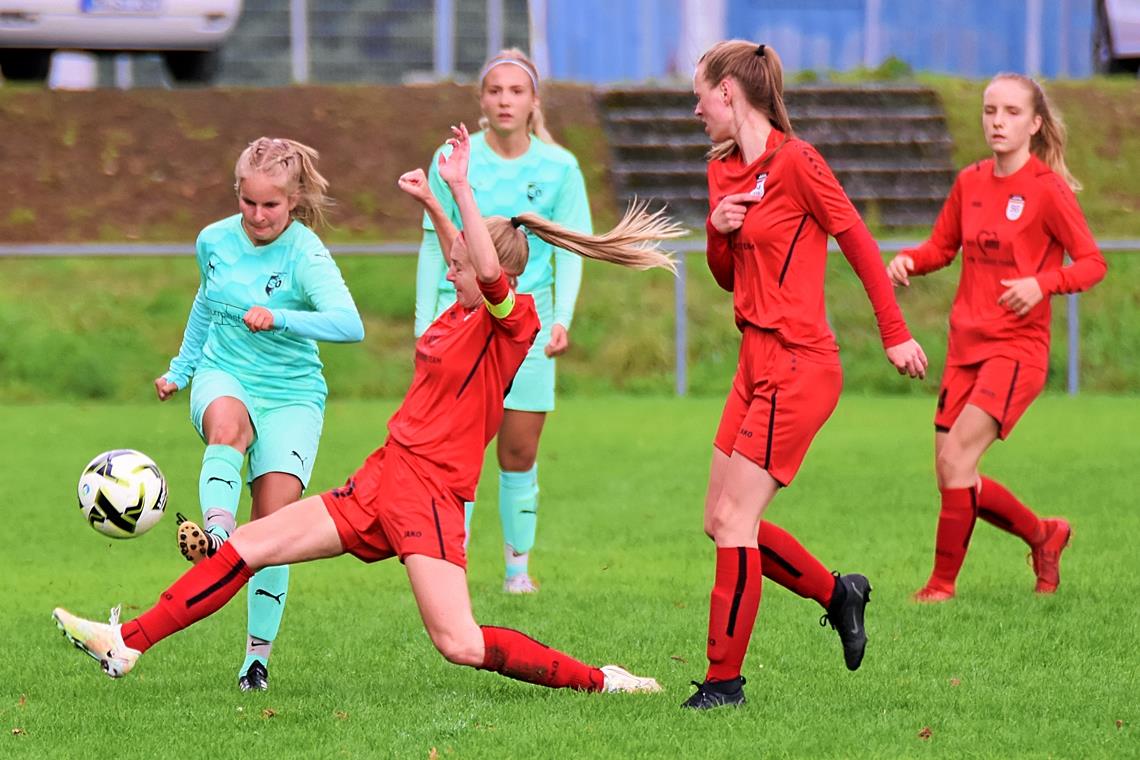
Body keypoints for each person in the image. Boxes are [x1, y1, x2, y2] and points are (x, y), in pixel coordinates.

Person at [54, 123, 682, 697]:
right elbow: (468, 259)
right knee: (247, 544)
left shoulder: (512, 321)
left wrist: (459, 186)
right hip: (384, 475)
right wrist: (434, 202)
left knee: (458, 643)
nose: (450, 272)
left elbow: (485, 268)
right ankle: (127, 642)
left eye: (457, 267)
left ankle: (603, 682)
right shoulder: (461, 311)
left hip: (431, 495)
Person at [685, 41, 929, 710]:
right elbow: (729, 276)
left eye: (701, 94)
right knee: (719, 519)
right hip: (752, 362)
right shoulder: (721, 172)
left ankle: (723, 683)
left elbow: (859, 245)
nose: (696, 107)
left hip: (800, 364)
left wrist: (895, 334)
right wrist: (717, 232)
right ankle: (838, 591)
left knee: (737, 520)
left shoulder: (800, 163)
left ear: (729, 92)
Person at [153, 137, 365, 691]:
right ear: (237, 195)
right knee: (228, 425)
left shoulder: (306, 253)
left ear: (293, 200)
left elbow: (350, 324)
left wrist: (281, 317)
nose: (257, 216)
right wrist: (181, 369)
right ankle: (219, 538)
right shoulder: (213, 240)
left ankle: (256, 660)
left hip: (293, 394)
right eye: (248, 202)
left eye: (270, 205)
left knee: (274, 531)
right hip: (225, 372)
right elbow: (206, 300)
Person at [887, 73, 1106, 603]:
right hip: (966, 347)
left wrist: (1043, 283)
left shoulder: (1047, 190)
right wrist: (909, 260)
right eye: (990, 111)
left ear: (1034, 124)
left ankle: (940, 588)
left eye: (1010, 112)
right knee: (951, 474)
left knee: (958, 464)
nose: (997, 121)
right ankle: (1043, 534)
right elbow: (943, 247)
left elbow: (1094, 264)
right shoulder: (970, 182)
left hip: (1017, 350)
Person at [415, 49, 590, 594]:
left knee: (519, 451)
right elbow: (431, 244)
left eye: (517, 91)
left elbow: (573, 248)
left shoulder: (559, 167)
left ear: (534, 101)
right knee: (459, 449)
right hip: (465, 322)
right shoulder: (453, 159)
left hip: (524, 325)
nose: (505, 100)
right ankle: (453, 564)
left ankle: (518, 571)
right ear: (482, 100)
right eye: (496, 90)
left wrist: (561, 317)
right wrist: (426, 320)